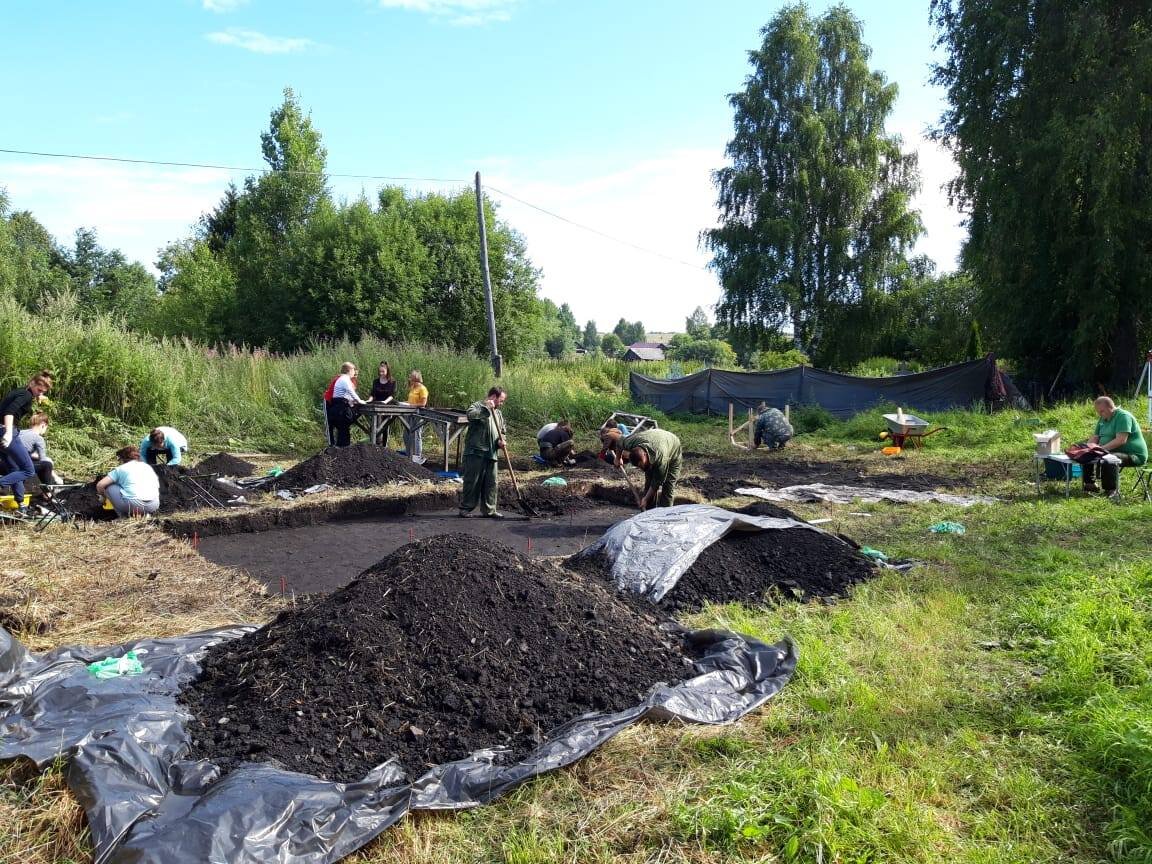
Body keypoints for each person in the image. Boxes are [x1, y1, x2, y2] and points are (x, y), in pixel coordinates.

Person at [0, 373, 53, 517]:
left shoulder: (20, 391)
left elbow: (12, 406)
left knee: (14, 469)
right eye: (39, 390)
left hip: (2, 431)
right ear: (32, 383)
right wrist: (9, 433)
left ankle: (21, 505)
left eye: (43, 392)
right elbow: (9, 413)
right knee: (28, 469)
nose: (40, 393)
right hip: (7, 431)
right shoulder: (26, 396)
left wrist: (37, 397)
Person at [602, 426, 682, 510]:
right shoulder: (630, 442)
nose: (641, 468)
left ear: (645, 455)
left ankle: (665, 515)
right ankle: (648, 512)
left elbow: (657, 483)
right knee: (649, 480)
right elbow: (619, 442)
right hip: (653, 436)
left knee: (668, 485)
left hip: (673, 447)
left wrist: (645, 498)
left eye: (642, 465)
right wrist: (618, 458)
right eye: (639, 466)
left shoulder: (661, 458)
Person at [1081, 396, 1148, 497]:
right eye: (1098, 412)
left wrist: (1101, 449)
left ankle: (1111, 490)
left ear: (1110, 407)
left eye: (1102, 411)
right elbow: (1095, 437)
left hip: (1133, 455)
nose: (1099, 414)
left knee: (1109, 458)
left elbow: (1121, 440)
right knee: (1087, 453)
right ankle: (1090, 484)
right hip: (1111, 450)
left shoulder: (1123, 416)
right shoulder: (1103, 418)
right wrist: (1088, 448)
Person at [459, 386, 507, 518]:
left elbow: (502, 431)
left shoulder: (498, 414)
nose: (501, 404)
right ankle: (466, 508)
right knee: (472, 481)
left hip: (492, 453)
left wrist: (501, 441)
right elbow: (470, 416)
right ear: (493, 397)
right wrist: (486, 408)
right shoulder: (477, 406)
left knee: (491, 483)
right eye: (500, 401)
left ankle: (489, 510)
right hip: (476, 452)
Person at [97, 444, 160, 517]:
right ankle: (146, 514)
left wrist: (103, 497)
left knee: (110, 487)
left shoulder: (121, 469)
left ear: (123, 458)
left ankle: (123, 516)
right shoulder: (147, 467)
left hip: (134, 505)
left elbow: (100, 485)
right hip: (153, 505)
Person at [18, 412, 62, 485]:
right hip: (18, 465)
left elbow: (23, 451)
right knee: (47, 465)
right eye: (46, 428)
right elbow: (43, 460)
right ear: (43, 425)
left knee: (43, 461)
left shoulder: (20, 432)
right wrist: (56, 477)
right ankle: (48, 493)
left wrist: (38, 457)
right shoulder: (38, 438)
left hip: (4, 463)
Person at [330, 363, 365, 448]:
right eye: (353, 369)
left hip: (338, 407)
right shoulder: (345, 379)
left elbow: (346, 395)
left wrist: (353, 401)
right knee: (344, 431)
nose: (354, 371)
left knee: (343, 431)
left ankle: (342, 449)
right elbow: (351, 392)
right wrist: (360, 401)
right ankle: (343, 450)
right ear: (349, 370)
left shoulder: (342, 379)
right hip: (341, 409)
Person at [323, 362, 357, 446]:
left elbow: (349, 394)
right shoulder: (340, 378)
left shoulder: (352, 380)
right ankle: (330, 444)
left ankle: (339, 444)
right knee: (329, 423)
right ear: (349, 371)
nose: (355, 374)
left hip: (337, 403)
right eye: (354, 371)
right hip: (328, 400)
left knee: (341, 424)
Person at [368, 360, 396, 448]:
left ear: (387, 371)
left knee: (385, 427)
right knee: (374, 425)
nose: (381, 373)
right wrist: (369, 400)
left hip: (387, 405)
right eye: (380, 371)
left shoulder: (392, 381)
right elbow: (373, 394)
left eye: (383, 371)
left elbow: (392, 395)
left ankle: (384, 446)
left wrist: (385, 402)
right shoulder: (376, 381)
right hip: (376, 404)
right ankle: (375, 444)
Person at [403, 369, 429, 463]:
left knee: (416, 435)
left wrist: (411, 405)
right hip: (409, 413)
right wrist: (404, 403)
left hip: (418, 413)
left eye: (411, 377)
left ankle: (417, 456)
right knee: (406, 435)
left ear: (415, 378)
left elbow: (423, 403)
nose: (410, 379)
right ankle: (409, 454)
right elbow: (410, 401)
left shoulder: (422, 389)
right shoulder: (413, 388)